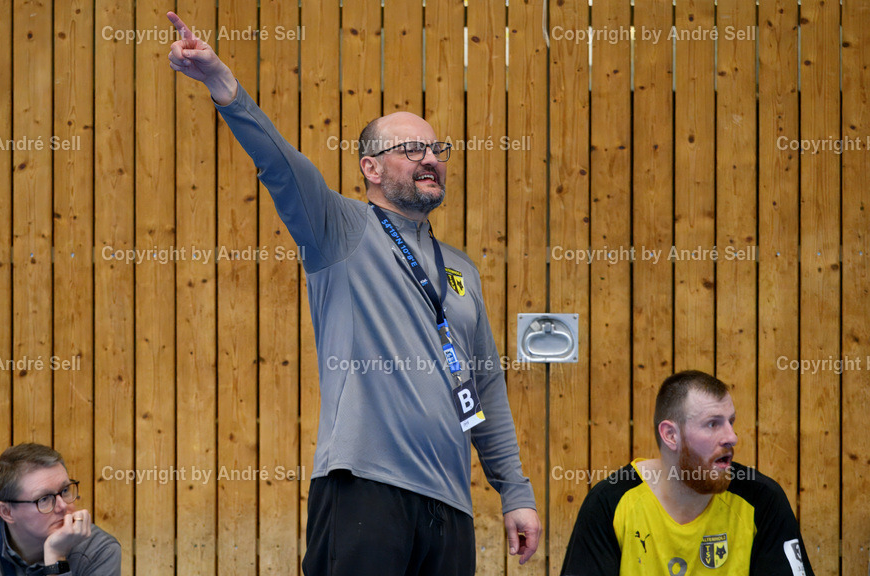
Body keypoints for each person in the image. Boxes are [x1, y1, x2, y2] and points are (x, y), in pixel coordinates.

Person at [167, 12, 540, 575]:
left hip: (451, 506)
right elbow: (280, 165)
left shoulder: (460, 269)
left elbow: (484, 385)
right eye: (412, 148)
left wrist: (515, 490)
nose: (431, 159)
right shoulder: (338, 230)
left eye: (437, 148)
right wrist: (222, 83)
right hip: (365, 491)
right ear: (369, 166)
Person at [560, 370, 816, 576]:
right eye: (713, 424)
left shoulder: (762, 500)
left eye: (731, 421)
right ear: (671, 435)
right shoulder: (610, 503)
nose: (732, 437)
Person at [0, 443, 120, 576]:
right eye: (44, 499)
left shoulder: (100, 550)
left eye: (65, 490)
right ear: (7, 512)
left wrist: (56, 557)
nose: (63, 506)